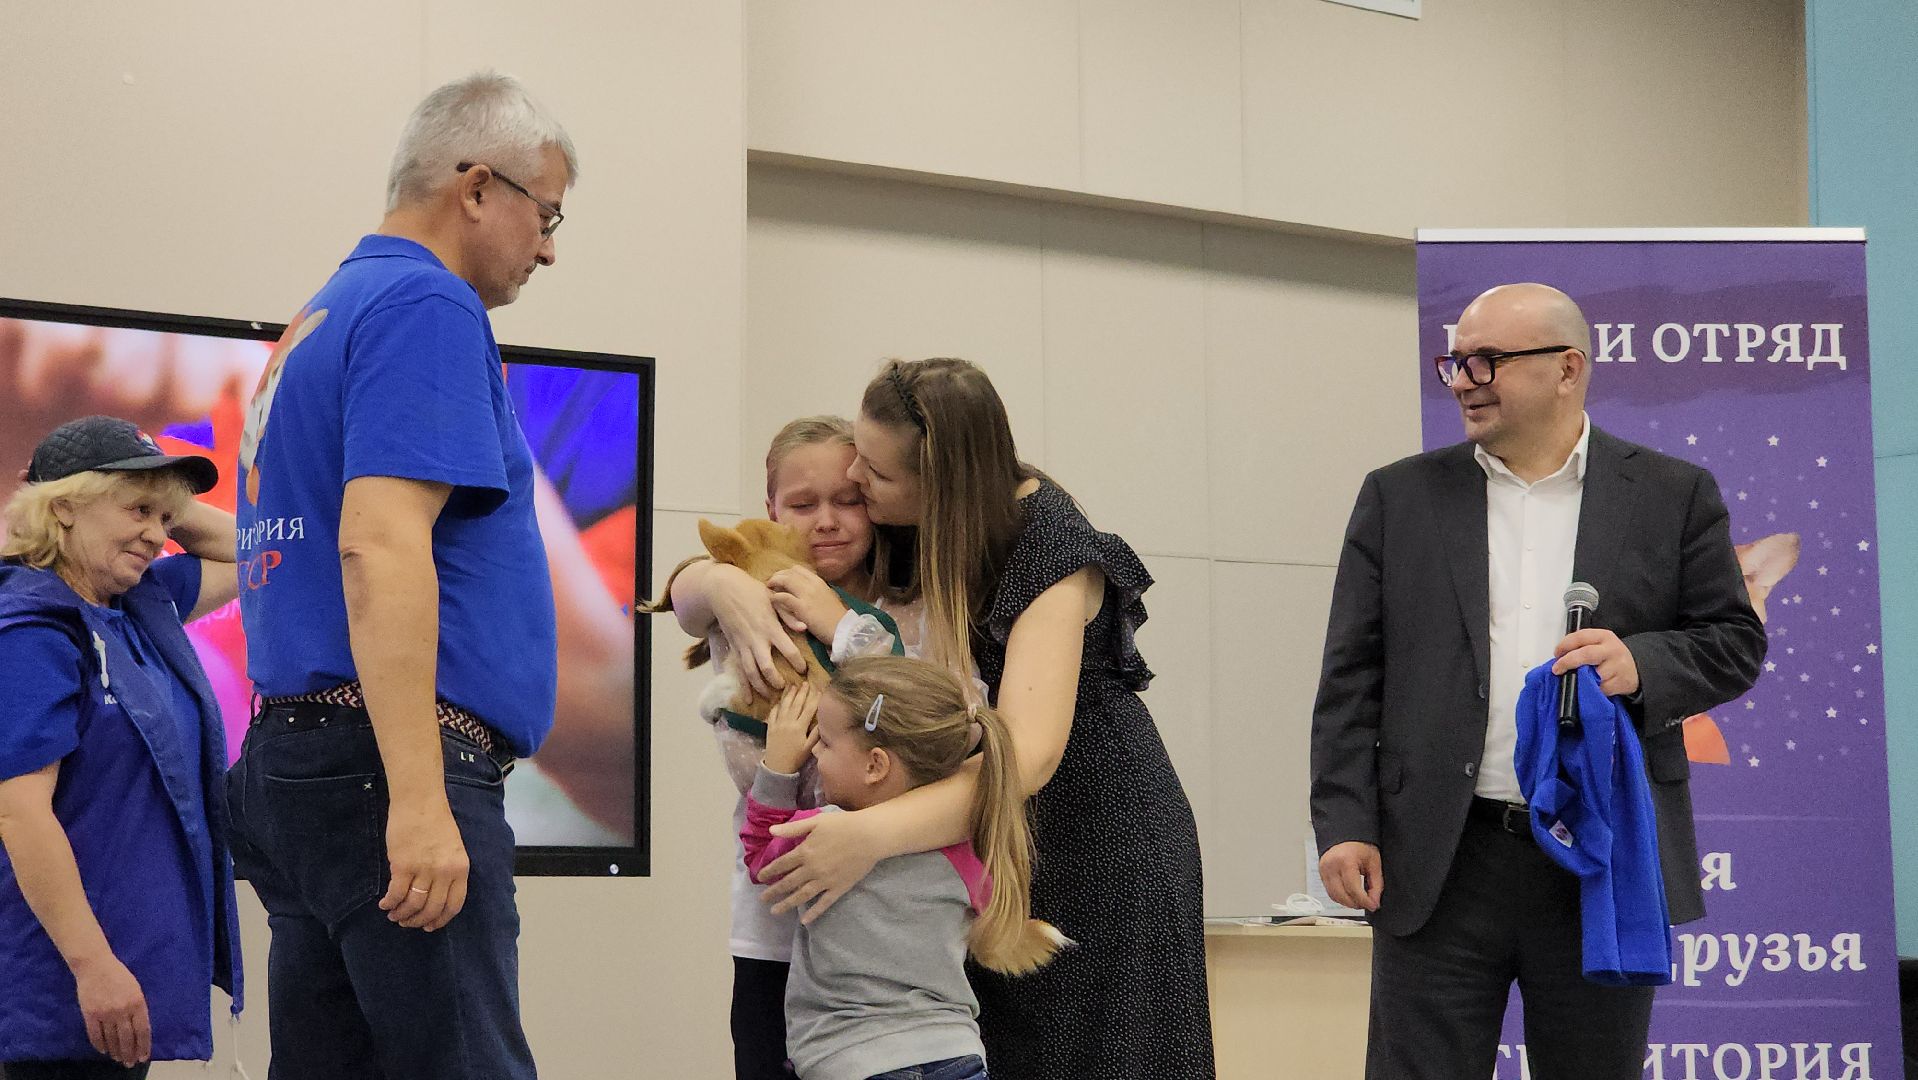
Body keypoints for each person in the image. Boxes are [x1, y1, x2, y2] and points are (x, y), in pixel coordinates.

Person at [1310, 283, 1767, 1079]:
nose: (1464, 380)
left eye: (1487, 360)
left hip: (1600, 856)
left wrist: (1641, 664)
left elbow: (1733, 642)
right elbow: (1351, 675)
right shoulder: (1399, 496)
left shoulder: (1672, 494)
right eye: (1456, 361)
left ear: (1568, 369)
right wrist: (1346, 822)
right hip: (1440, 860)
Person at [223, 71, 576, 1079]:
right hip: (382, 764)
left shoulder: (323, 315)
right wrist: (418, 799)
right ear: (477, 187)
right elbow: (376, 546)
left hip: (299, 763)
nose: (549, 247)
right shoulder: (426, 302)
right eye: (546, 213)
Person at [754, 359, 1214, 1078]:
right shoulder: (913, 521)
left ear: (938, 483)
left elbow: (1025, 756)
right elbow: (723, 564)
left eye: (874, 473)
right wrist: (714, 585)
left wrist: (868, 835)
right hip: (990, 839)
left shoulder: (1051, 549)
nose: (856, 481)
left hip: (1093, 843)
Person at [665, 416, 916, 1080]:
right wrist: (718, 582)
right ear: (771, 509)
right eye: (803, 505)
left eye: (848, 500)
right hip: (775, 931)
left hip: (888, 930)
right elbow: (685, 594)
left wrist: (844, 627)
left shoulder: (908, 607)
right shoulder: (748, 591)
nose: (827, 521)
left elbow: (918, 720)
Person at [0, 416, 241, 1078]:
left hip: (122, 977)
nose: (159, 536)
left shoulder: (137, 606)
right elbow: (19, 814)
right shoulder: (31, 631)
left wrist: (161, 499)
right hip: (60, 986)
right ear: (65, 507)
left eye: (166, 519)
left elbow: (259, 554)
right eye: (138, 511)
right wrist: (92, 964)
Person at [742, 657, 1062, 1080]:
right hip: (956, 1053)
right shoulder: (962, 848)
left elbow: (762, 861)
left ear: (875, 765)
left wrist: (778, 766)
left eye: (826, 743)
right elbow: (987, 907)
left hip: (851, 1060)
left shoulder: (822, 834)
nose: (814, 750)